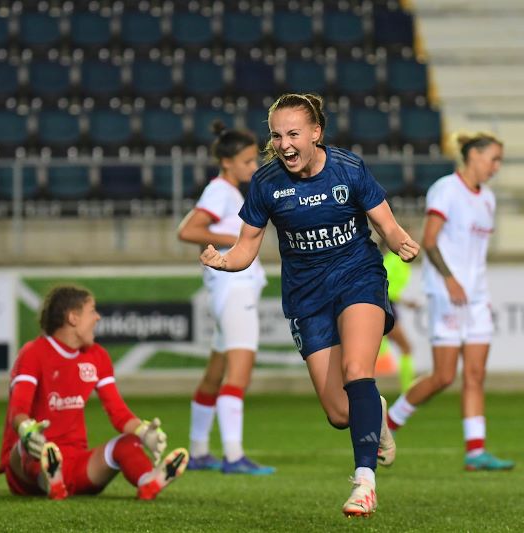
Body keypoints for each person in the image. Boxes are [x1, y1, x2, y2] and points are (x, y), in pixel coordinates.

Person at [199, 93, 420, 518]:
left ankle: (364, 483)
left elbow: (386, 224)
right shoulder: (266, 183)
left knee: (358, 371)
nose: (284, 144)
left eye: (293, 134)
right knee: (341, 413)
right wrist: (224, 261)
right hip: (306, 296)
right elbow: (246, 247)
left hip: (358, 277)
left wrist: (399, 242)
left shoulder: (348, 168)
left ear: (316, 133)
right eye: (277, 135)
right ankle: (377, 414)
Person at [386, 131, 515, 472]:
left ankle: (476, 452)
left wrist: (479, 293)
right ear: (473, 156)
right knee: (444, 376)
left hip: (475, 297)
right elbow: (429, 240)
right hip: (447, 294)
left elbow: (478, 255)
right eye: (494, 159)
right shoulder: (446, 189)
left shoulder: (487, 198)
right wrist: (450, 279)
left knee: (475, 374)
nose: (496, 167)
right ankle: (387, 423)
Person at [0, 285, 189, 500]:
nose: (97, 318)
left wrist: (145, 432)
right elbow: (18, 411)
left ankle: (149, 480)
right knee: (29, 446)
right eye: (92, 311)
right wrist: (28, 430)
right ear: (73, 317)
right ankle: (49, 478)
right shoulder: (33, 353)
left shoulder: (97, 356)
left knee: (127, 443)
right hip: (25, 472)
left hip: (76, 464)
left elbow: (119, 413)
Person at [177, 120, 274, 475]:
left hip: (227, 289)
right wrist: (230, 235)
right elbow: (187, 230)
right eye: (248, 161)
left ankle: (199, 449)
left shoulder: (228, 191)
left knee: (216, 373)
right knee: (239, 372)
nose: (254, 167)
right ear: (229, 162)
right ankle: (233, 456)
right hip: (235, 289)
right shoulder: (220, 191)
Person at [381, 246, 420, 391]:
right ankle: (408, 390)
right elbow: (386, 288)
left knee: (404, 348)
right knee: (406, 347)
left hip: (386, 307)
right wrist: (406, 302)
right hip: (385, 308)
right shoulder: (393, 261)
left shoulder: (392, 260)